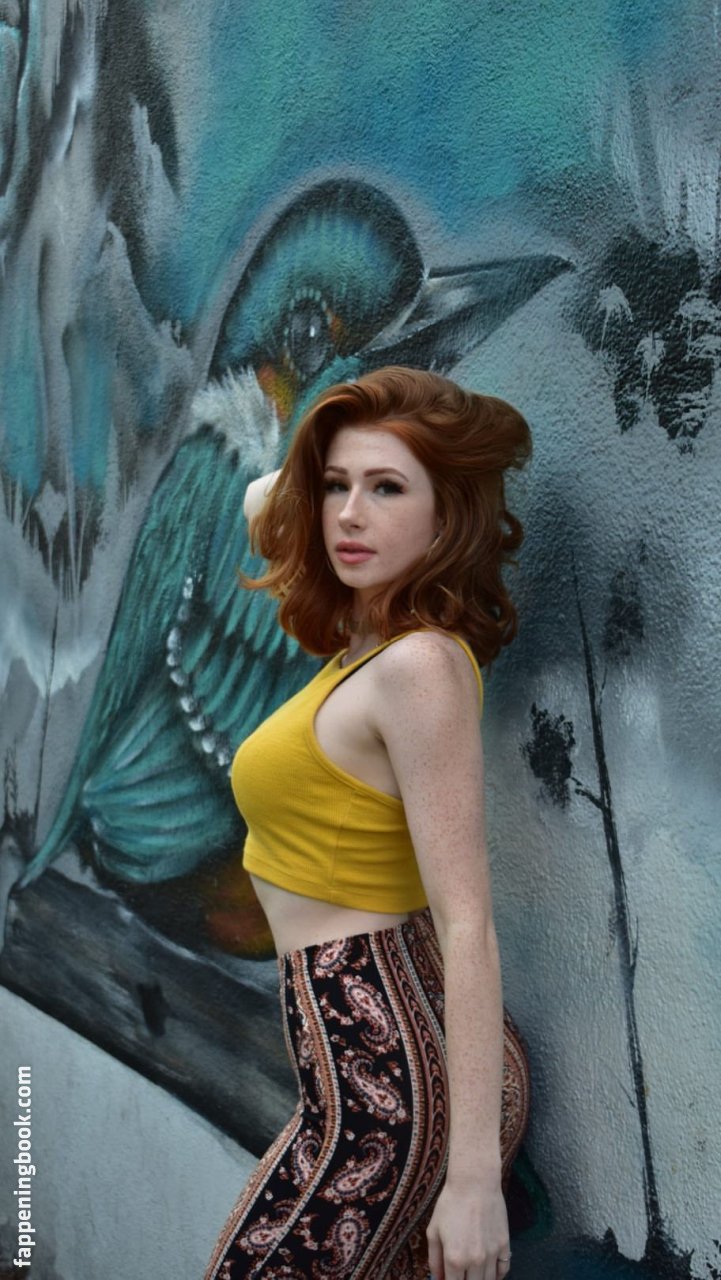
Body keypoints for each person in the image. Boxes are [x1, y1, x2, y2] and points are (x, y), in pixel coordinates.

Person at [204, 366, 532, 1280]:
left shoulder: (417, 669)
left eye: (388, 490)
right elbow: (263, 497)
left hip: (386, 1089)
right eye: (337, 487)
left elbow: (467, 919)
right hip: (373, 1068)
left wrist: (472, 1183)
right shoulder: (366, 643)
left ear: (446, 516)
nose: (349, 515)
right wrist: (343, 445)